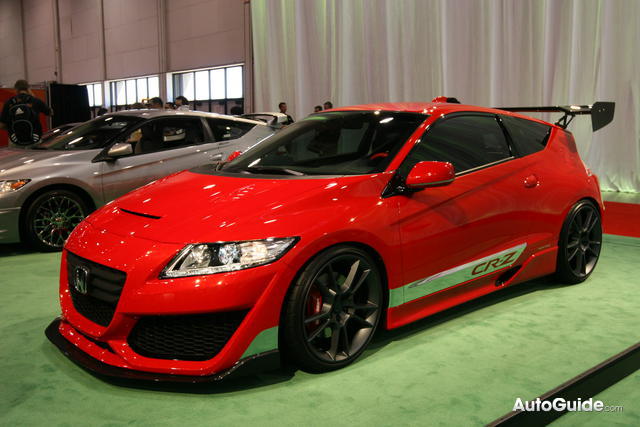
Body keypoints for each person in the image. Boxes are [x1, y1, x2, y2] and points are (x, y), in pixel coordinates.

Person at [0, 79, 52, 147]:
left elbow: (1, 125)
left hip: (15, 140)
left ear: (16, 89)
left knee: (15, 154)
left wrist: (13, 128)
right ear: (28, 89)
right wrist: (33, 96)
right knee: (36, 154)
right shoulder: (35, 100)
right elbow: (50, 113)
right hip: (34, 138)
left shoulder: (9, 102)